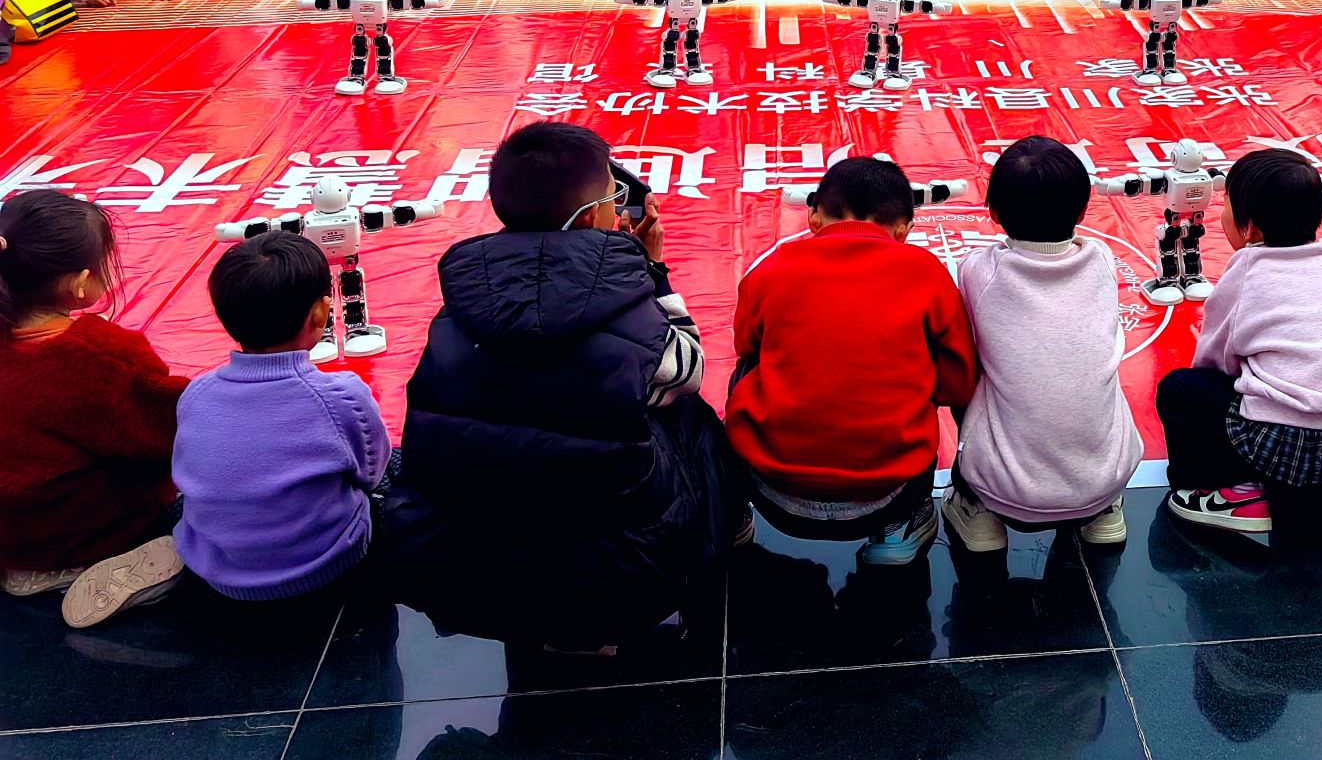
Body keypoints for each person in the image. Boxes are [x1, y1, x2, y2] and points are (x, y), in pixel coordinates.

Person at [383, 122, 738, 648]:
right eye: (612, 196)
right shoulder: (631, 311)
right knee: (689, 413)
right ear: (592, 216)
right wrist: (653, 271)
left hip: (464, 568)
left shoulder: (456, 311)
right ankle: (725, 534)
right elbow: (690, 369)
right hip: (621, 572)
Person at [726, 157, 978, 566]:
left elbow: (744, 344)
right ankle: (901, 528)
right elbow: (958, 384)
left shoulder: (771, 268)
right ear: (904, 230)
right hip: (889, 493)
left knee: (747, 369)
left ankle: (730, 512)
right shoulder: (926, 271)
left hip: (770, 490)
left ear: (814, 217)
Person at [1155, 149, 1322, 536]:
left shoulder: (1246, 270)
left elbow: (1216, 361)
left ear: (1249, 229)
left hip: (1285, 449)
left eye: (1225, 204)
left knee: (1181, 389)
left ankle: (1223, 492)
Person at [943, 137, 1141, 551]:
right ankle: (1103, 513)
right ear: (1083, 211)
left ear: (993, 213)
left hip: (1006, 493)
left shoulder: (978, 271)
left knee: (966, 370)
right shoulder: (1103, 259)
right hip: (1106, 480)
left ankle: (975, 509)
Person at [0, 191, 186, 629]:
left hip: (11, 531)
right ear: (80, 283)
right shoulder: (98, 356)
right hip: (75, 530)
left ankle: (24, 571)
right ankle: (96, 562)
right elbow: (174, 430)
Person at [172, 231, 391, 601]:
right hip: (326, 566)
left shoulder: (196, 393)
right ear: (321, 312)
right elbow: (371, 474)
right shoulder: (341, 397)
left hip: (217, 572)